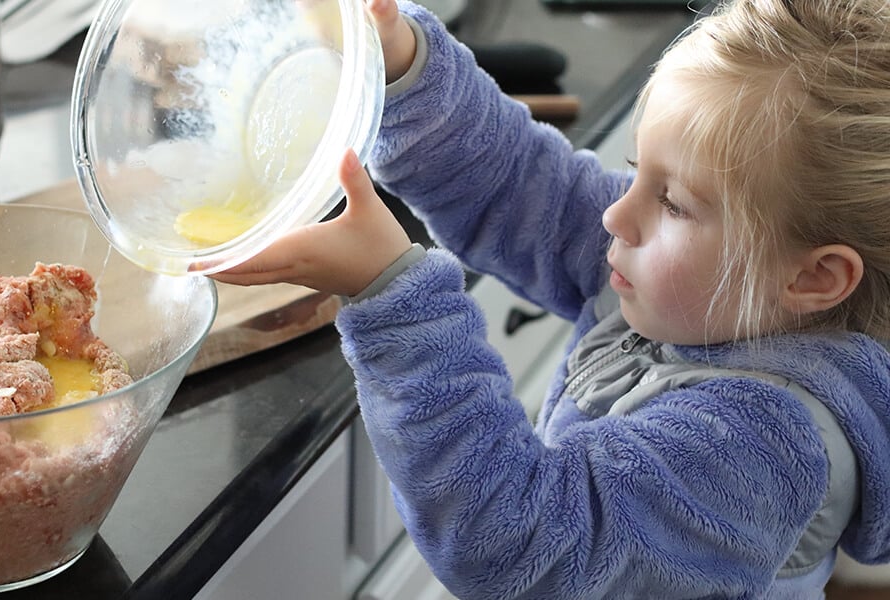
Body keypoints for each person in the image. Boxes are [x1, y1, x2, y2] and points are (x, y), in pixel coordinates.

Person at [212, 0, 890, 597]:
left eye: (674, 203)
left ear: (814, 279)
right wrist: (404, 72)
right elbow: (526, 187)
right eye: (635, 171)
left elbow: (523, 548)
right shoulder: (717, 285)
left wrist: (395, 300)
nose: (616, 219)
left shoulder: (765, 448)